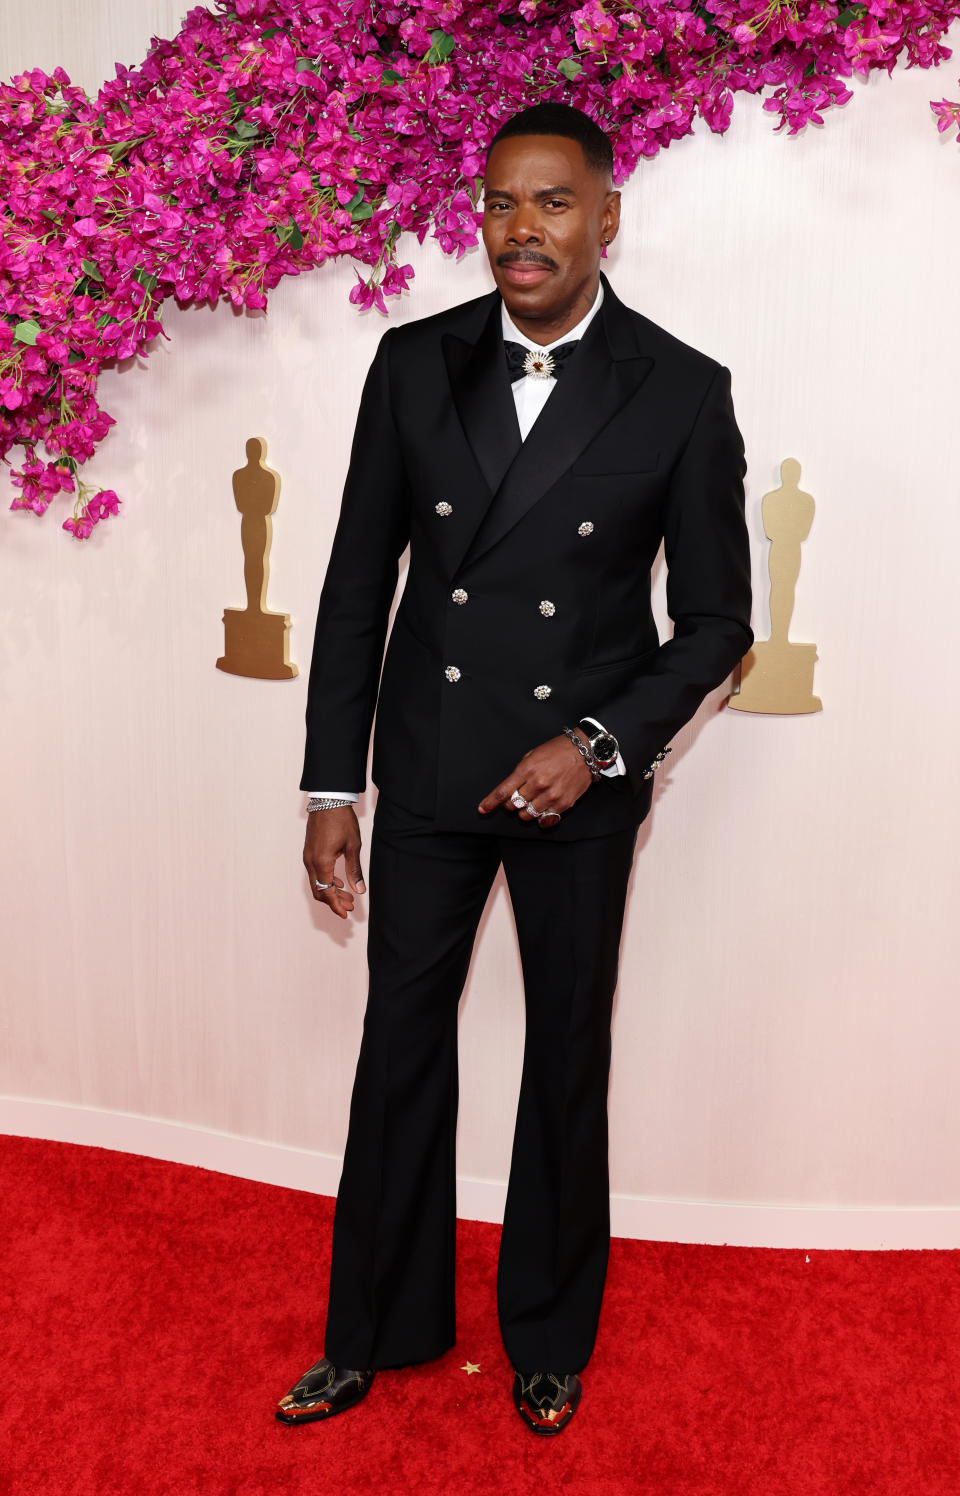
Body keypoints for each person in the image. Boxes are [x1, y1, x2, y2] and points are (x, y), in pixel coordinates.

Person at [275, 101, 753, 1436]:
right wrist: (330, 788)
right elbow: (357, 584)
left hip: (579, 787)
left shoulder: (679, 388)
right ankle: (373, 1329)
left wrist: (596, 746)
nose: (520, 230)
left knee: (564, 1059)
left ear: (607, 215)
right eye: (498, 203)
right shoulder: (412, 362)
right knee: (400, 1050)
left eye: (550, 203)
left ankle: (547, 1333)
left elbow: (719, 623)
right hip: (426, 770)